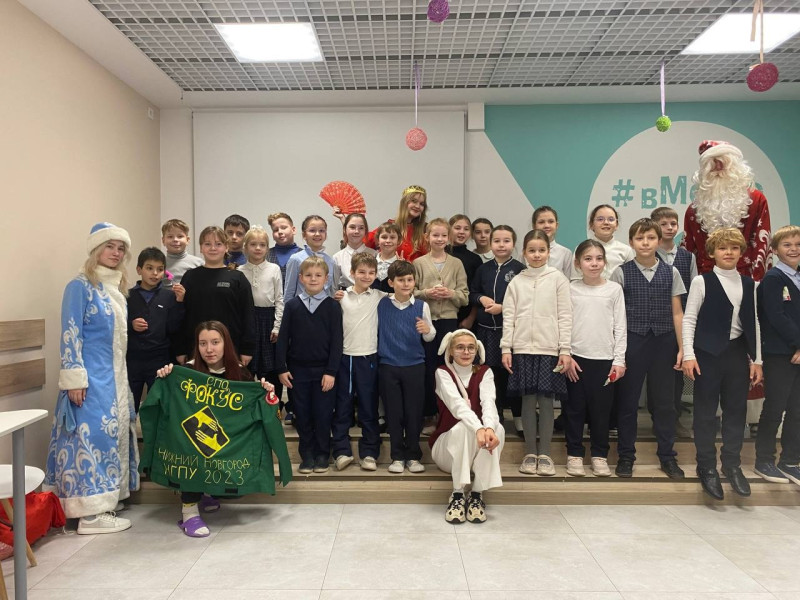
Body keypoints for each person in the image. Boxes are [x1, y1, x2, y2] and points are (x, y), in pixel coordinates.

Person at [45, 222, 139, 534]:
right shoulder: (80, 286)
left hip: (114, 377)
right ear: (96, 249)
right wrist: (75, 379)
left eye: (121, 248)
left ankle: (106, 499)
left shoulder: (115, 290)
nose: (116, 253)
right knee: (90, 438)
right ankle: (90, 514)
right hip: (89, 380)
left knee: (109, 436)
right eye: (110, 246)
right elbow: (71, 333)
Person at [154, 321, 276, 537]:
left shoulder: (241, 373)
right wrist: (164, 377)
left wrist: (266, 392)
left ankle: (208, 489)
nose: (209, 349)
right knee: (191, 448)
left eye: (215, 342)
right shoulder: (186, 371)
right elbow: (168, 400)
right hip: (191, 439)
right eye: (203, 343)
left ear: (225, 343)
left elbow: (252, 408)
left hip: (223, 438)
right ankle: (189, 512)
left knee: (233, 486)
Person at [682, 228, 762, 500]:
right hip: (706, 354)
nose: (729, 252)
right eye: (723, 248)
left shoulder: (750, 284)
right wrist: (689, 355)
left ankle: (731, 464)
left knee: (736, 412)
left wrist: (757, 359)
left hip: (737, 354)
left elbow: (754, 323)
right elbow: (689, 319)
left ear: (741, 252)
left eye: (734, 248)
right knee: (705, 413)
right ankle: (706, 466)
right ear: (712, 252)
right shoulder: (701, 282)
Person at [610, 218, 685, 479]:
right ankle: (626, 456)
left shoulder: (671, 272)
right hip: (633, 341)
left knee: (665, 403)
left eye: (651, 238)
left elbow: (677, 313)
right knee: (628, 402)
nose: (645, 243)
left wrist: (682, 347)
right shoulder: (620, 272)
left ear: (659, 241)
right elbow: (615, 315)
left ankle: (667, 456)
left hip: (664, 342)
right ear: (631, 242)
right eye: (640, 238)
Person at [502, 229, 572, 476]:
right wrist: (506, 348)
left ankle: (545, 454)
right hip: (522, 349)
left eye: (542, 250)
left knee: (546, 402)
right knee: (528, 401)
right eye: (532, 250)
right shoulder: (517, 282)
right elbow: (509, 316)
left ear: (548, 252)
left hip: (549, 349)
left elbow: (565, 316)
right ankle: (530, 453)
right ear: (524, 253)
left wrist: (565, 349)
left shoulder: (558, 279)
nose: (537, 254)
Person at [563, 240, 626, 477]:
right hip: (576, 359)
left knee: (601, 411)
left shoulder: (614, 290)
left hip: (605, 360)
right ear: (578, 263)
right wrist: (566, 354)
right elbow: (563, 322)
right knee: (574, 409)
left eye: (599, 258)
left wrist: (619, 360)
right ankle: (574, 454)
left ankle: (600, 455)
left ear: (605, 262)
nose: (594, 263)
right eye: (588, 259)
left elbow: (620, 327)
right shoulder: (570, 289)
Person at [276, 257, 344, 474]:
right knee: (302, 414)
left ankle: (323, 453)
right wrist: (281, 368)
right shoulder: (293, 306)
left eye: (318, 275)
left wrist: (331, 371)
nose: (313, 279)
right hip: (298, 372)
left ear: (326, 278)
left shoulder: (333, 307)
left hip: (324, 372)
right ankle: (307, 455)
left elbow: (337, 342)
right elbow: (283, 338)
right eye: (308, 275)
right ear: (300, 278)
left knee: (323, 414)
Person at [430, 329, 503, 523]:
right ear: (450, 351)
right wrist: (479, 429)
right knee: (464, 426)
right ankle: (457, 494)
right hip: (447, 451)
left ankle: (477, 494)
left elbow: (489, 402)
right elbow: (457, 406)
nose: (466, 352)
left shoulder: (485, 372)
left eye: (471, 348)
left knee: (498, 429)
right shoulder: (442, 372)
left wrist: (488, 428)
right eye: (460, 347)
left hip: (476, 450)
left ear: (477, 351)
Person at [378, 260, 436, 473]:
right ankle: (396, 456)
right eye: (401, 280)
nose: (405, 284)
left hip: (414, 365)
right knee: (394, 413)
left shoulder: (422, 306)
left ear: (414, 282)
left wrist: (427, 330)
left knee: (414, 411)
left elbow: (430, 336)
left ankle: (413, 455)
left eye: (409, 280)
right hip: (388, 365)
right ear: (391, 282)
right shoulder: (381, 303)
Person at [683, 140, 771, 280]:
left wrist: (758, 282)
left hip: (746, 277)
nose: (718, 167)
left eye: (723, 162)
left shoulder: (756, 200)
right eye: (712, 164)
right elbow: (689, 252)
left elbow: (762, 244)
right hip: (706, 278)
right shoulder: (694, 210)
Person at [332, 252, 386, 471]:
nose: (366, 276)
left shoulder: (380, 296)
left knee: (368, 407)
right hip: (345, 358)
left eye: (371, 272)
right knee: (342, 406)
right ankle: (341, 451)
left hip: (369, 358)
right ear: (352, 272)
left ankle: (370, 453)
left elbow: (405, 293)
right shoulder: (341, 297)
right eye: (362, 272)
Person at [414, 218, 469, 433]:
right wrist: (427, 293)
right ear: (427, 237)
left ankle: (448, 413)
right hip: (425, 322)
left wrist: (450, 293)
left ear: (449, 238)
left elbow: (464, 296)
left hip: (448, 321)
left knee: (447, 367)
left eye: (443, 235)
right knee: (428, 367)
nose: (439, 239)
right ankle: (428, 413)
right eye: (435, 235)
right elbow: (411, 292)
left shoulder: (456, 264)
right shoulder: (419, 263)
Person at [755, 225, 800, 485]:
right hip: (780, 354)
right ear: (774, 250)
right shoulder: (773, 279)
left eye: (797, 244)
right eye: (787, 245)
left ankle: (790, 460)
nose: (793, 249)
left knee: (797, 410)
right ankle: (764, 460)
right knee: (775, 408)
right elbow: (776, 317)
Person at [470, 225, 525, 436]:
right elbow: (472, 293)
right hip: (486, 332)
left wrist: (503, 307)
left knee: (512, 375)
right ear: (490, 244)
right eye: (497, 241)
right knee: (490, 375)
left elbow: (526, 300)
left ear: (514, 244)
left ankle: (519, 419)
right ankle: (496, 416)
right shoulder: (483, 269)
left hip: (510, 332)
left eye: (506, 241)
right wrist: (481, 298)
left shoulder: (520, 270)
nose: (501, 245)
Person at [177, 226, 255, 366]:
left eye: (218, 244)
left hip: (231, 347)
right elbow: (182, 316)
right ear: (201, 248)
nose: (213, 248)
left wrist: (247, 349)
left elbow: (248, 315)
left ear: (226, 247)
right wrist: (180, 349)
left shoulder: (237, 278)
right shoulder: (190, 277)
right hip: (196, 348)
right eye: (207, 244)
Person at [652, 206, 697, 422]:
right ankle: (656, 417)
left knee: (677, 370)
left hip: (681, 321)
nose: (669, 228)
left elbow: (694, 290)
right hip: (656, 321)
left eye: (673, 224)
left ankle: (674, 418)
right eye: (663, 224)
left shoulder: (688, 257)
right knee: (656, 374)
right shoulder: (647, 255)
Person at [127, 247, 185, 412]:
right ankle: (129, 429)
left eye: (160, 269)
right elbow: (117, 326)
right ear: (139, 270)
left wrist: (180, 302)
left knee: (158, 404)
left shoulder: (169, 296)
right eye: (149, 268)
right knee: (129, 403)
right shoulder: (127, 296)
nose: (155, 273)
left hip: (159, 359)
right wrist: (131, 324)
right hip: (133, 359)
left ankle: (155, 430)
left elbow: (174, 328)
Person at [238, 226, 284, 386]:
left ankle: (272, 400)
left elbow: (279, 299)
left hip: (268, 320)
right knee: (247, 367)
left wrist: (277, 326)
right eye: (253, 244)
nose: (258, 248)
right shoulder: (239, 271)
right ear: (245, 247)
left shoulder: (274, 269)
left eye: (262, 245)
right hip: (248, 320)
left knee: (269, 368)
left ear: (267, 248)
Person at [364, 185, 429, 261]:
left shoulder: (425, 230)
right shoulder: (390, 227)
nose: (417, 206)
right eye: (414, 201)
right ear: (404, 203)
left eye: (421, 204)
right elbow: (364, 241)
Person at [283, 215, 338, 302]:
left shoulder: (330, 261)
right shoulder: (296, 259)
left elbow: (329, 291)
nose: (317, 234)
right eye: (312, 230)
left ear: (326, 234)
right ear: (304, 235)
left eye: (321, 230)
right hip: (300, 307)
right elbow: (289, 292)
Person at [447, 214, 483, 330]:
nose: (461, 232)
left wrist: (471, 318)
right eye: (457, 228)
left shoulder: (475, 259)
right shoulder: (440, 254)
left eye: (466, 229)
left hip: (466, 314)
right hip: (442, 313)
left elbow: (477, 291)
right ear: (449, 229)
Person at [584, 204, 635, 279]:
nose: (606, 223)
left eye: (611, 219)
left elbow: (631, 278)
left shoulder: (626, 250)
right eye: (600, 219)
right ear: (591, 224)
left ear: (616, 225)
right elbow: (575, 279)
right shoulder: (582, 249)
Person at [332, 213, 376, 289]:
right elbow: (334, 286)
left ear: (365, 231)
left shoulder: (374, 254)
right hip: (345, 294)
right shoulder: (337, 257)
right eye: (352, 227)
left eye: (361, 228)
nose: (356, 231)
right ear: (344, 229)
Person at [533, 206, 572, 277]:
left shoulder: (566, 253)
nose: (546, 225)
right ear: (534, 226)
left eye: (551, 221)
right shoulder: (526, 254)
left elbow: (568, 281)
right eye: (541, 222)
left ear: (556, 225)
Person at [162, 218, 203, 284]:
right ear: (163, 240)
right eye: (170, 236)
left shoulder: (199, 264)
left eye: (180, 236)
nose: (175, 240)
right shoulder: (159, 264)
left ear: (187, 240)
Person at [267, 212, 303, 287]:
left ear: (293, 230)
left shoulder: (304, 255)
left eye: (283, 228)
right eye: (275, 230)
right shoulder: (265, 255)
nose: (280, 232)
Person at [372, 221, 402, 293]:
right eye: (384, 237)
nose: (388, 241)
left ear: (398, 241)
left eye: (392, 237)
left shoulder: (401, 265)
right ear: (378, 240)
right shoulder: (370, 263)